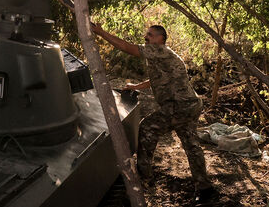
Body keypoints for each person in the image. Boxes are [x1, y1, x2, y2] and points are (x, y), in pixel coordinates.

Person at [90, 22, 217, 203]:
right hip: (189, 105)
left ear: (160, 39)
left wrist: (100, 32)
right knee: (191, 145)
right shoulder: (161, 57)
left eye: (150, 35)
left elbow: (127, 48)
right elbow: (157, 78)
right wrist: (136, 86)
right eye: (146, 34)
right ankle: (205, 188)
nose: (146, 37)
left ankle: (144, 180)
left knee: (147, 128)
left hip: (180, 106)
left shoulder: (160, 50)